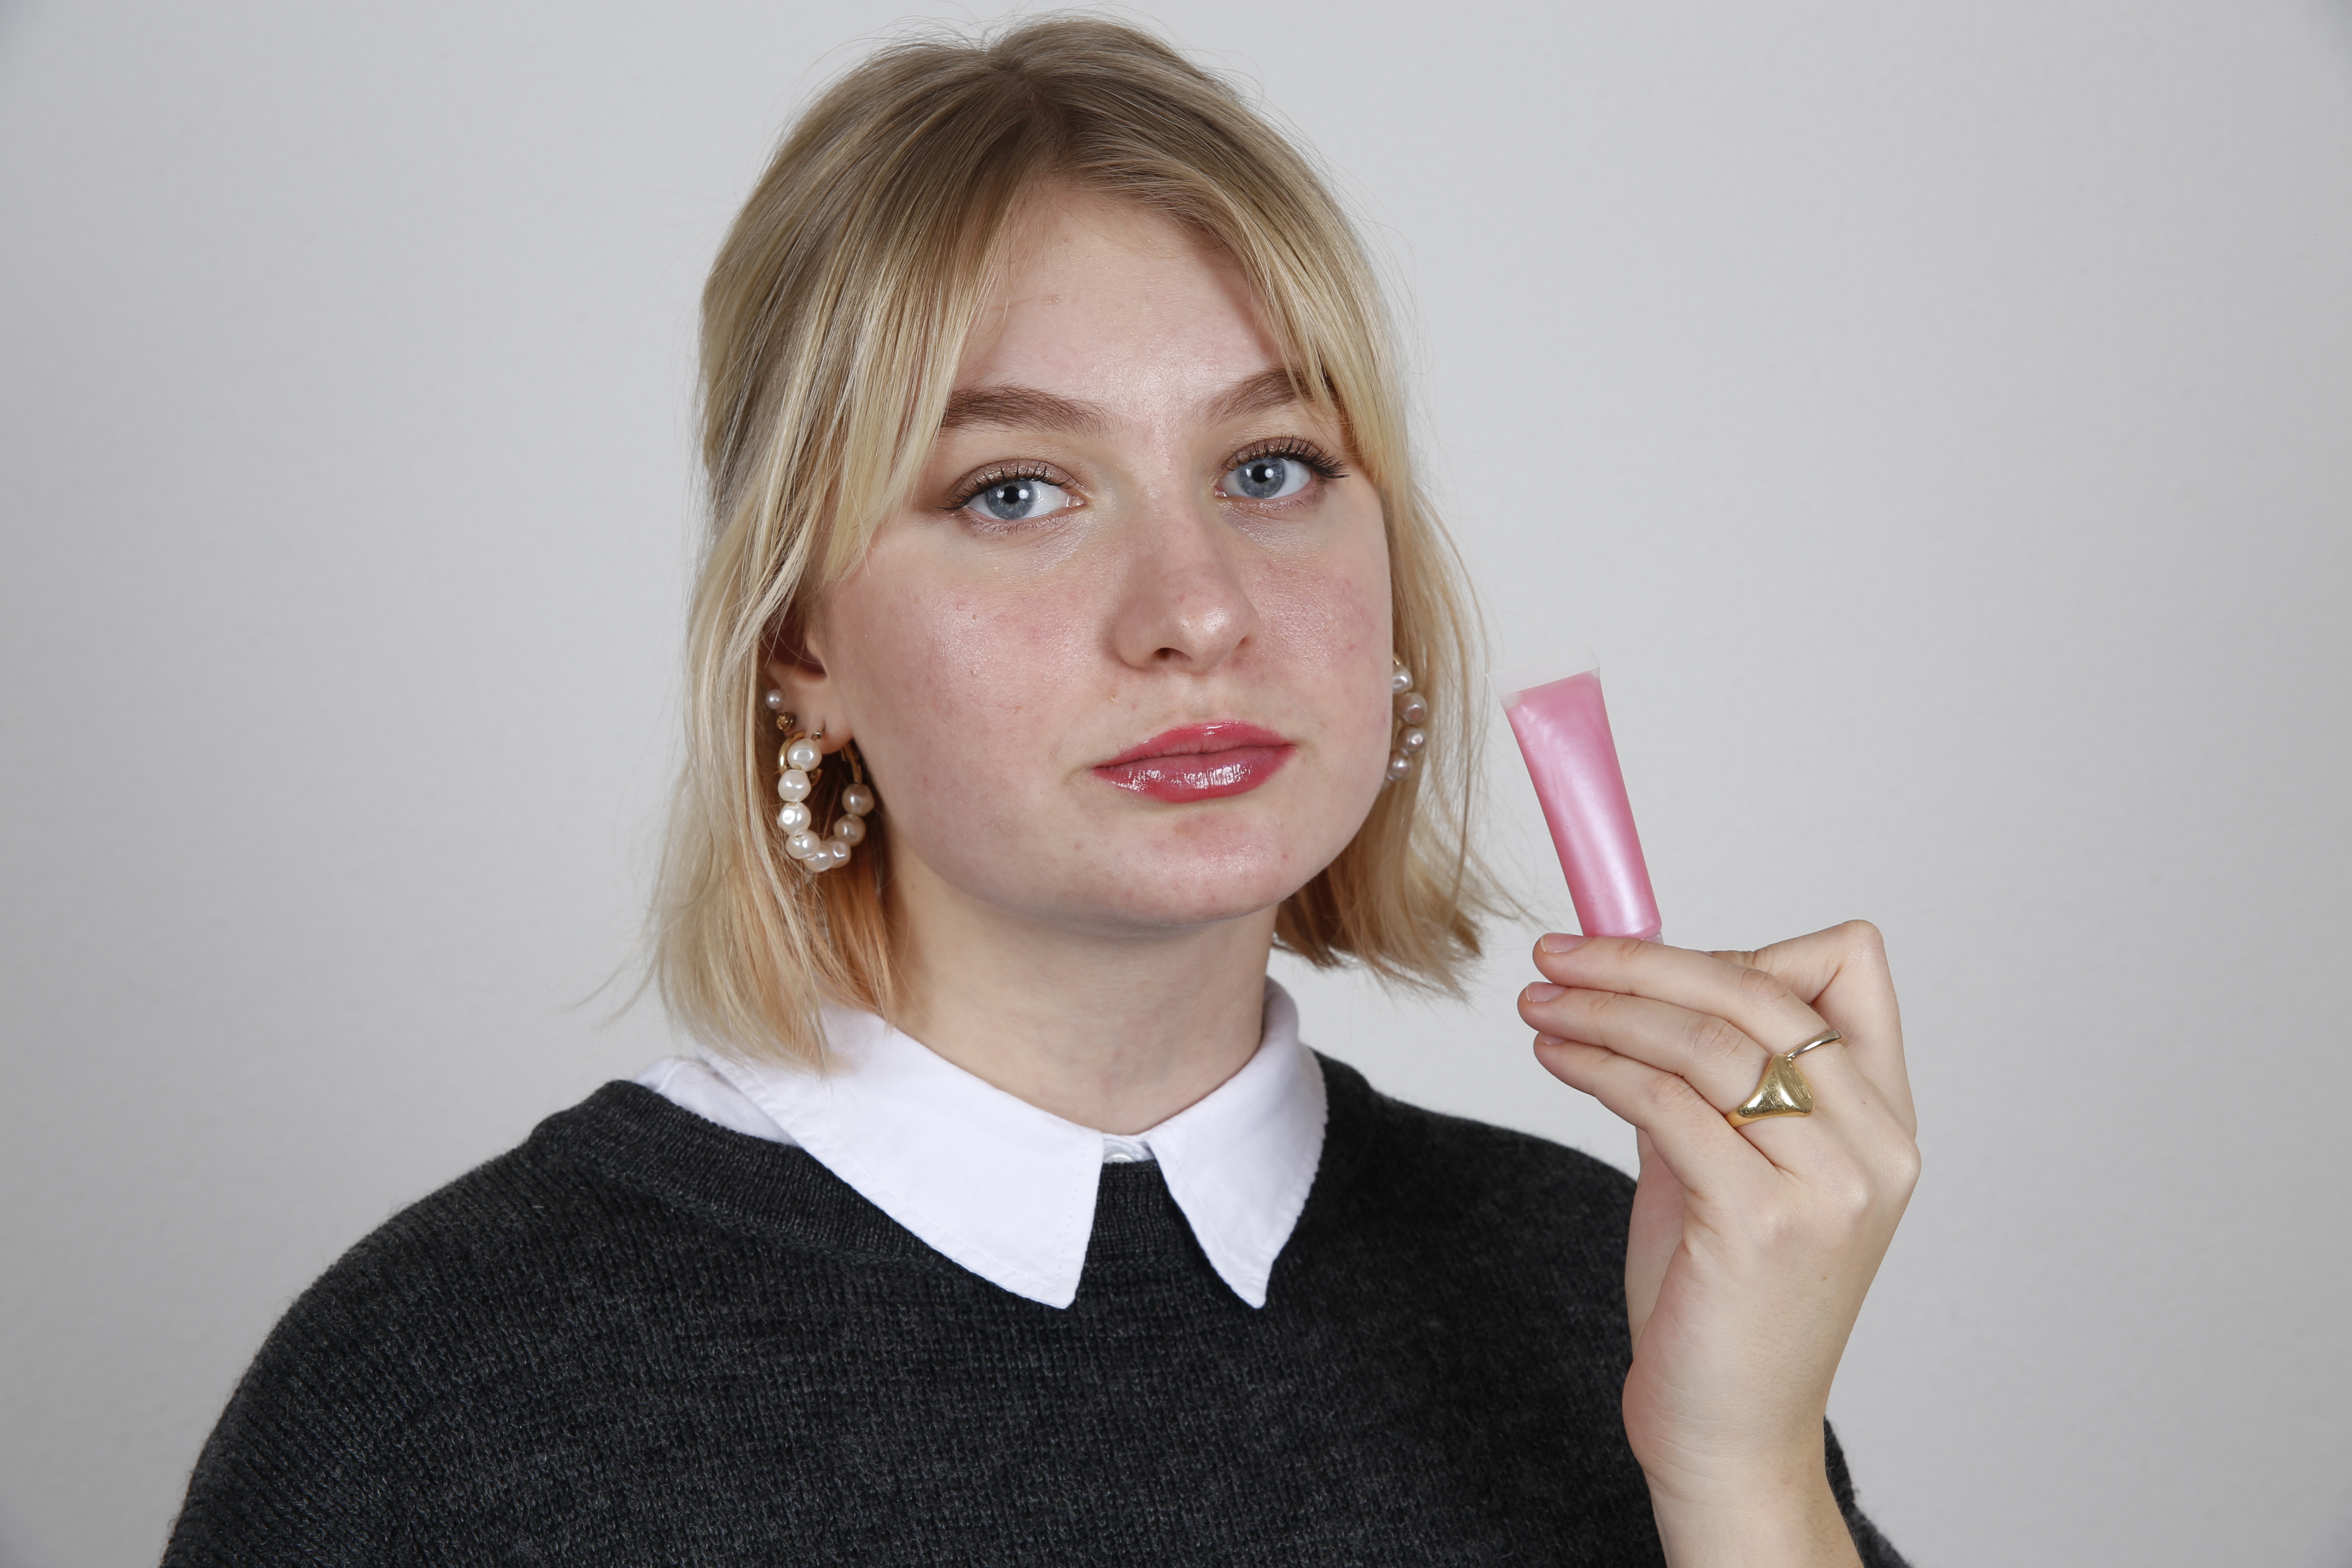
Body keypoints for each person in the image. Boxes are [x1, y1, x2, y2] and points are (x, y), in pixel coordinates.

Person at [165, 18, 1919, 1565]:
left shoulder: (1622, 1291)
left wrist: (1743, 1477)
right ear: (800, 643)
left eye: (1271, 466)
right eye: (1015, 491)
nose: (1198, 610)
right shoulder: (433, 1401)